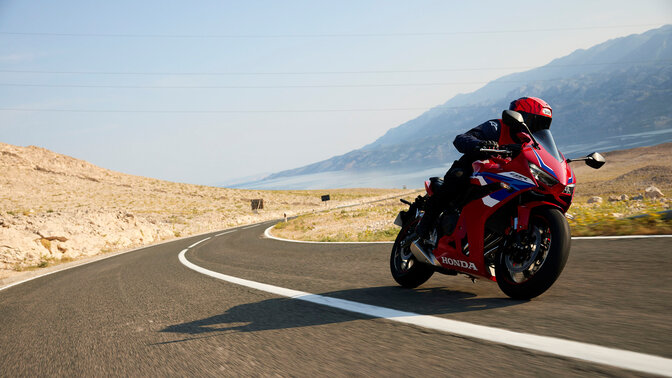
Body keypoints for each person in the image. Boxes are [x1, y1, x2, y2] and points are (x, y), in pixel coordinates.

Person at [410, 96, 553, 244]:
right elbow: (462, 138)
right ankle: (423, 228)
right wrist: (481, 144)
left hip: (505, 177)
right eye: (535, 123)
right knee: (457, 179)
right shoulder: (496, 126)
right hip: (475, 169)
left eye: (542, 125)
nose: (537, 129)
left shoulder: (532, 144)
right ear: (520, 118)